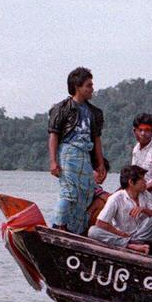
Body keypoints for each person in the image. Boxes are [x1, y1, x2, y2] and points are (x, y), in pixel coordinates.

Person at [47, 67, 109, 233]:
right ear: (77, 87)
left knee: (86, 193)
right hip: (68, 153)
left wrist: (100, 163)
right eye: (88, 85)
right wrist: (53, 161)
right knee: (69, 193)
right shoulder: (62, 108)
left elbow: (96, 139)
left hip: (85, 155)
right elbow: (54, 135)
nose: (92, 89)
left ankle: (75, 228)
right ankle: (60, 226)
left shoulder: (94, 113)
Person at [89, 165, 152, 252]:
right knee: (93, 231)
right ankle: (130, 245)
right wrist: (120, 234)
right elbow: (100, 223)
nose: (145, 182)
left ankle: (133, 243)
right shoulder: (116, 198)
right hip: (121, 235)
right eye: (142, 180)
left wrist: (144, 210)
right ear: (131, 182)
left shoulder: (145, 194)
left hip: (141, 235)